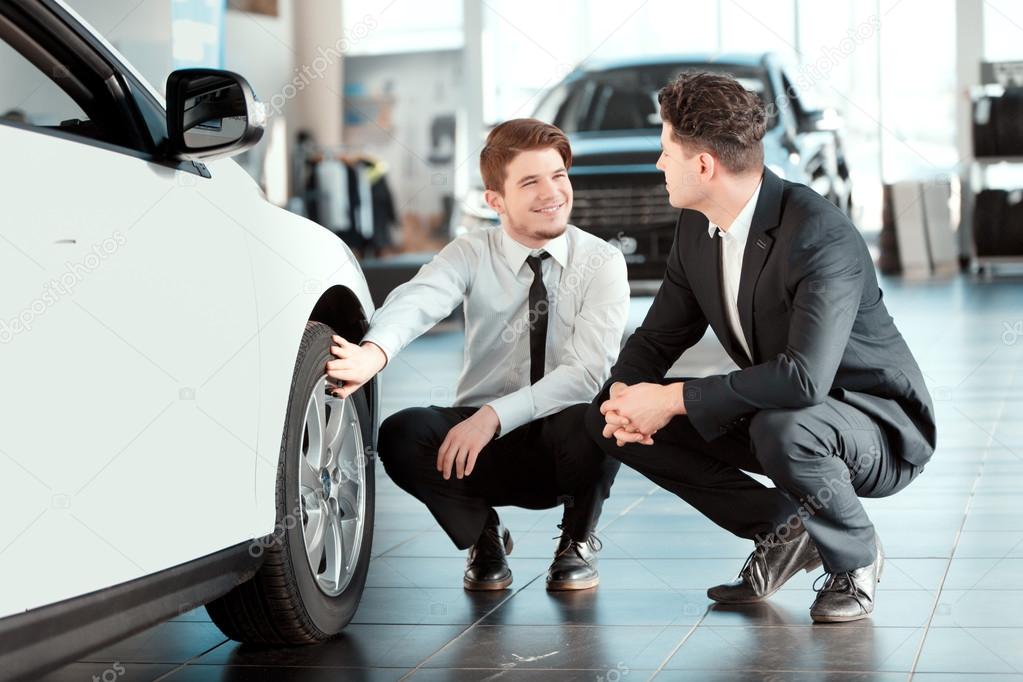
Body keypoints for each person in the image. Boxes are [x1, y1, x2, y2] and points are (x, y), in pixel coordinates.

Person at [586, 72, 935, 623]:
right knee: (605, 420)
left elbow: (804, 380)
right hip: (785, 410)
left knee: (783, 427)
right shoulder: (696, 228)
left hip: (876, 425)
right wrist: (623, 397)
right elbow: (658, 336)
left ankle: (856, 555)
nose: (658, 165)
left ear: (704, 165)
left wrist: (673, 399)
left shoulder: (818, 231)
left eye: (664, 151)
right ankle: (785, 530)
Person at [326, 118, 629, 591]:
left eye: (559, 176)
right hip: (478, 452)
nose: (552, 193)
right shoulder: (471, 251)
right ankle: (482, 535)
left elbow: (585, 373)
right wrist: (374, 352)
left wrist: (493, 415)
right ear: (496, 201)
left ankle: (577, 542)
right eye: (530, 182)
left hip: (562, 443)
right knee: (402, 433)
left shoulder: (602, 263)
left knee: (604, 412)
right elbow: (418, 299)